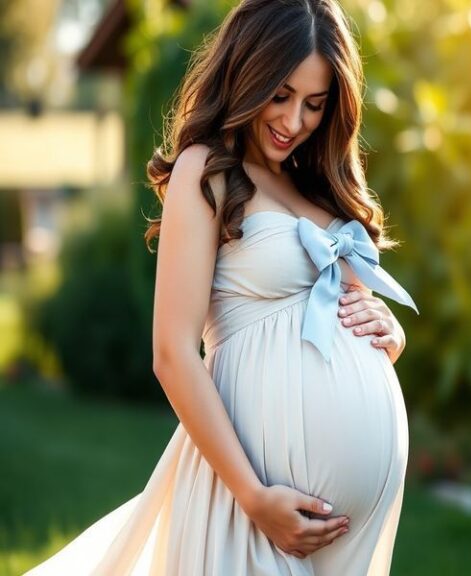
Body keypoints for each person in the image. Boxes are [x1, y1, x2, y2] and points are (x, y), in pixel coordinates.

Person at [24, 0, 418, 574]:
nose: (294, 121)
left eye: (314, 104)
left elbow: (344, 315)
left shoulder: (319, 187)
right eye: (280, 95)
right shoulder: (207, 170)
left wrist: (388, 335)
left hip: (352, 528)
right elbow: (172, 354)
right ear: (246, 72)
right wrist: (254, 498)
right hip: (248, 501)